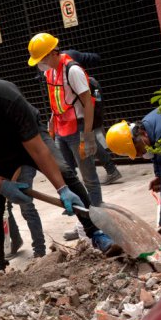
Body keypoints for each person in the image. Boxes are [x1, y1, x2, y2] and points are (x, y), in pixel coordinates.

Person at [0, 76, 122, 277]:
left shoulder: (7, 97)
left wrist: (62, 189)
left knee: (65, 172)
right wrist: (1, 185)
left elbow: (39, 151)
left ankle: (95, 233)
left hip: (28, 141)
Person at [28, 33, 103, 207]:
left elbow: (88, 104)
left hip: (78, 129)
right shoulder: (50, 73)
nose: (41, 63)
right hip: (62, 130)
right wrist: (52, 127)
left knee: (89, 178)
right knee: (68, 177)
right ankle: (83, 220)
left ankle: (97, 221)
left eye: (43, 58)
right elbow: (57, 101)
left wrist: (88, 136)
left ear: (53, 53)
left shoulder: (72, 70)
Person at [0, 148, 45, 257]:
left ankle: (39, 250)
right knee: (5, 208)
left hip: (23, 163)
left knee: (27, 207)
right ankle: (16, 241)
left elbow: (22, 154)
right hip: (1, 163)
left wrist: (12, 181)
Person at [106, 114, 161, 236]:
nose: (140, 154)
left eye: (137, 150)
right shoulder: (148, 126)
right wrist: (159, 175)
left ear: (140, 134)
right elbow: (156, 154)